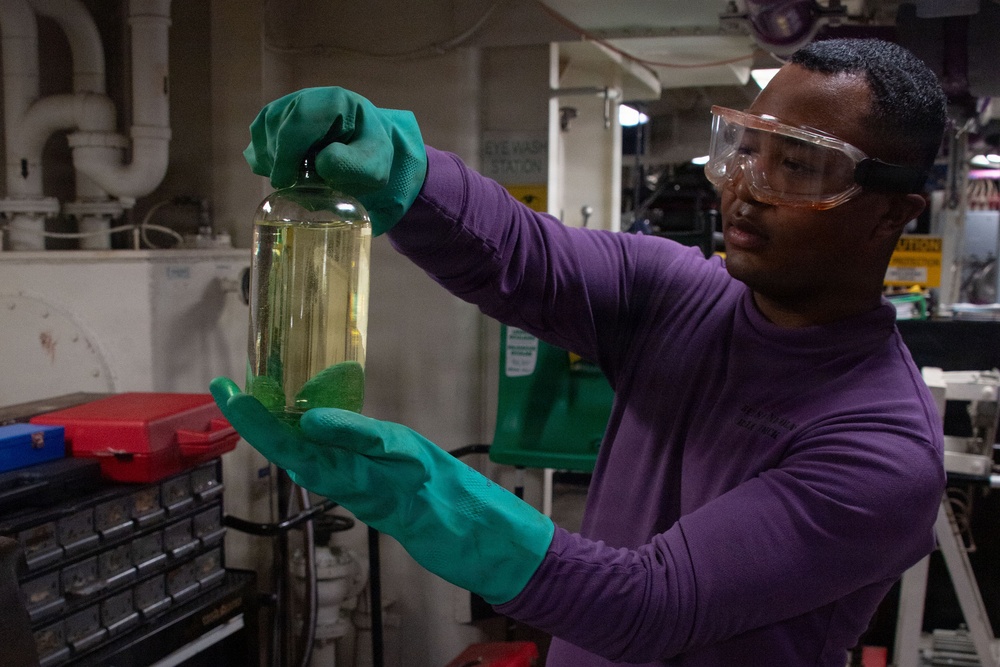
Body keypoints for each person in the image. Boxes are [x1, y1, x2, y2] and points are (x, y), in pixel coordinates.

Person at [212, 37, 948, 666]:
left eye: (799, 166)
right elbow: (519, 254)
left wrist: (425, 500)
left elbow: (650, 604)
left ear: (892, 211)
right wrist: (400, 170)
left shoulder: (881, 447)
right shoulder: (678, 293)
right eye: (745, 150)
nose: (746, 190)